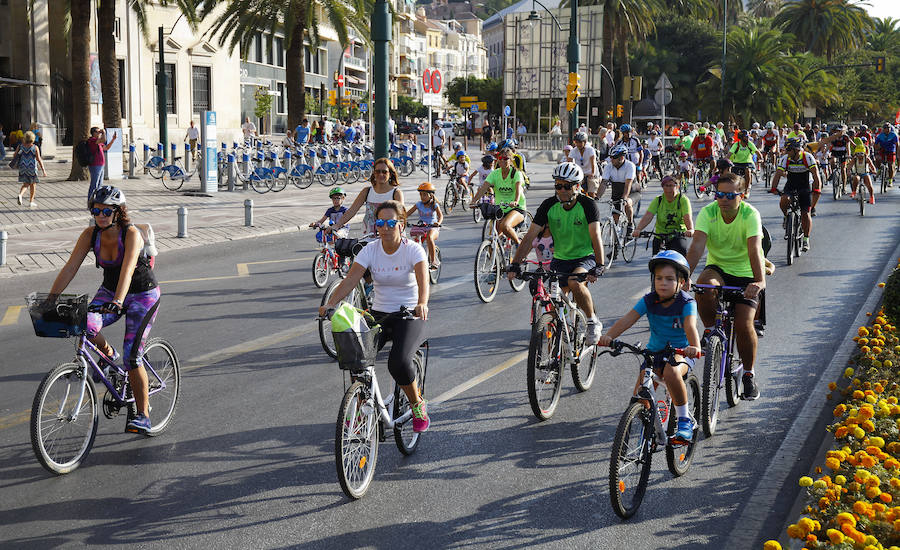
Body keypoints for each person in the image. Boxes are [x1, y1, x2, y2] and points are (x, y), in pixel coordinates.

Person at [47, 186, 160, 434]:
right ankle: (109, 355)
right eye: (96, 210)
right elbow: (70, 267)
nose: (100, 215)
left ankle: (143, 415)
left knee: (133, 357)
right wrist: (51, 298)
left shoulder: (131, 234)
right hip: (110, 291)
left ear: (118, 212)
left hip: (142, 294)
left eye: (106, 211)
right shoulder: (91, 234)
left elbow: (128, 270)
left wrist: (119, 301)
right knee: (84, 323)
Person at [319, 200, 431, 433]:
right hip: (378, 314)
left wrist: (422, 303)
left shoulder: (413, 249)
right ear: (376, 226)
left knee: (398, 363)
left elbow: (423, 280)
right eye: (381, 222)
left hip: (408, 314)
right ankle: (360, 410)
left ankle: (417, 404)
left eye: (392, 222)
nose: (386, 227)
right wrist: (331, 303)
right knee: (357, 358)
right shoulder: (371, 249)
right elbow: (351, 280)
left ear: (401, 224)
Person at [598, 250, 701, 443]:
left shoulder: (687, 302)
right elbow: (628, 319)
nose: (663, 283)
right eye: (659, 278)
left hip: (680, 352)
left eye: (670, 279)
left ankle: (684, 419)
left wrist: (694, 346)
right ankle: (651, 430)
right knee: (640, 398)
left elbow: (690, 326)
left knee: (671, 373)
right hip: (654, 353)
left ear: (682, 282)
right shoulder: (649, 300)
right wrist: (609, 336)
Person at [685, 172, 766, 400]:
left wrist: (759, 281)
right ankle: (710, 330)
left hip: (746, 272)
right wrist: (684, 276)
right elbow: (697, 247)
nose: (724, 199)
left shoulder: (751, 214)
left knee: (743, 323)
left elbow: (754, 249)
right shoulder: (708, 212)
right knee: (704, 286)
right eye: (720, 194)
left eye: (730, 195)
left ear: (742, 196)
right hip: (718, 268)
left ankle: (749, 374)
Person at [509, 162, 606, 342]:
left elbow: (596, 236)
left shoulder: (588, 205)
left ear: (577, 186)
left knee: (575, 282)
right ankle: (554, 358)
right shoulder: (548, 205)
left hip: (584, 257)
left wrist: (600, 265)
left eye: (566, 186)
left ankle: (592, 321)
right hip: (560, 259)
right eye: (558, 185)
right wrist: (515, 263)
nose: (561, 190)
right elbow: (530, 237)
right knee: (553, 307)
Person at [769, 138, 822, 251]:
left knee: (805, 213)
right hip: (791, 185)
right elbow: (778, 174)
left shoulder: (807, 157)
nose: (786, 152)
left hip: (805, 186)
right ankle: (786, 217)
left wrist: (817, 189)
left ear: (796, 150)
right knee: (784, 199)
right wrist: (773, 188)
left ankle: (806, 240)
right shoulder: (785, 158)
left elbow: (816, 175)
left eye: (788, 150)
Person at [469, 142, 527, 246]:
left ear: (511, 160)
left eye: (506, 158)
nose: (502, 160)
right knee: (493, 238)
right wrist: (474, 201)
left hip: (516, 208)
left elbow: (518, 189)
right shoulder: (495, 174)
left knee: (505, 226)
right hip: (500, 208)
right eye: (500, 157)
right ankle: (493, 260)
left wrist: (516, 201)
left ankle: (519, 246)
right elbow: (483, 188)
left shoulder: (516, 173)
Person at [329, 158, 404, 237]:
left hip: (389, 236)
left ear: (390, 173)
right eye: (377, 171)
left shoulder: (396, 193)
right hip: (369, 236)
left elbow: (401, 216)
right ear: (374, 173)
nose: (381, 174)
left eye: (384, 172)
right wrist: (337, 225)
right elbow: (351, 211)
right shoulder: (367, 191)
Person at [632, 175, 694, 255]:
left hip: (677, 234)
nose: (668, 189)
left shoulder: (683, 200)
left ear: (677, 186)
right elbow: (648, 216)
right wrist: (638, 229)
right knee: (655, 262)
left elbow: (687, 217)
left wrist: (690, 229)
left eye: (671, 185)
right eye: (666, 186)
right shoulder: (658, 200)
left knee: (681, 258)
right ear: (662, 187)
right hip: (660, 235)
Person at [599, 144, 637, 231]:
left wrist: (624, 198)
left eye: (614, 158)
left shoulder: (630, 166)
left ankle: (630, 224)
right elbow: (603, 183)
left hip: (632, 190)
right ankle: (616, 235)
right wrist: (598, 197)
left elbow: (628, 184)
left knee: (627, 203)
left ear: (621, 158)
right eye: (611, 157)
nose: (611, 160)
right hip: (616, 190)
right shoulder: (609, 166)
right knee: (615, 214)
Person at [407, 182, 443, 269]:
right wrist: (400, 219)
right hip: (422, 227)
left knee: (429, 237)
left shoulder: (434, 205)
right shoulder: (418, 204)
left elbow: (440, 216)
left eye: (424, 195)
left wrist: (438, 223)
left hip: (433, 227)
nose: (422, 197)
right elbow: (407, 214)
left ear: (431, 195)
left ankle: (433, 261)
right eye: (420, 194)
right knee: (415, 243)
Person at [14, 131, 47, 207]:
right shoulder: (35, 147)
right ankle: (31, 201)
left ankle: (20, 195)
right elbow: (39, 159)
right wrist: (43, 170)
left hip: (23, 168)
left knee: (25, 184)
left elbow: (15, 155)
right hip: (32, 168)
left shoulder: (20, 146)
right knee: (33, 184)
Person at [87, 127, 118, 205]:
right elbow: (103, 140)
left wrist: (113, 140)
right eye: (98, 132)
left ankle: (97, 200)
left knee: (100, 185)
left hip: (100, 165)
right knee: (94, 184)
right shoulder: (92, 140)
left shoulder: (98, 142)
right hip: (95, 165)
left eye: (100, 132)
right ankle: (90, 202)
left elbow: (106, 147)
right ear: (93, 133)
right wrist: (104, 132)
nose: (99, 133)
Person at [728, 130, 759, 198]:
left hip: (748, 162)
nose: (748, 138)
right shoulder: (736, 144)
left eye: (748, 136)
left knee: (748, 171)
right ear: (741, 137)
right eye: (746, 137)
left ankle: (747, 190)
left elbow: (757, 152)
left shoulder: (750, 144)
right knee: (732, 176)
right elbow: (729, 154)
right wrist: (726, 161)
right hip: (737, 163)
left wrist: (761, 158)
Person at [570, 132, 599, 198]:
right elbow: (570, 162)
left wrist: (592, 173)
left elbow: (593, 162)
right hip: (580, 173)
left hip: (591, 172)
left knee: (591, 192)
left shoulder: (590, 149)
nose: (578, 144)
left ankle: (593, 203)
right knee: (577, 192)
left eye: (580, 142)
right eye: (576, 142)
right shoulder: (574, 150)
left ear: (585, 142)